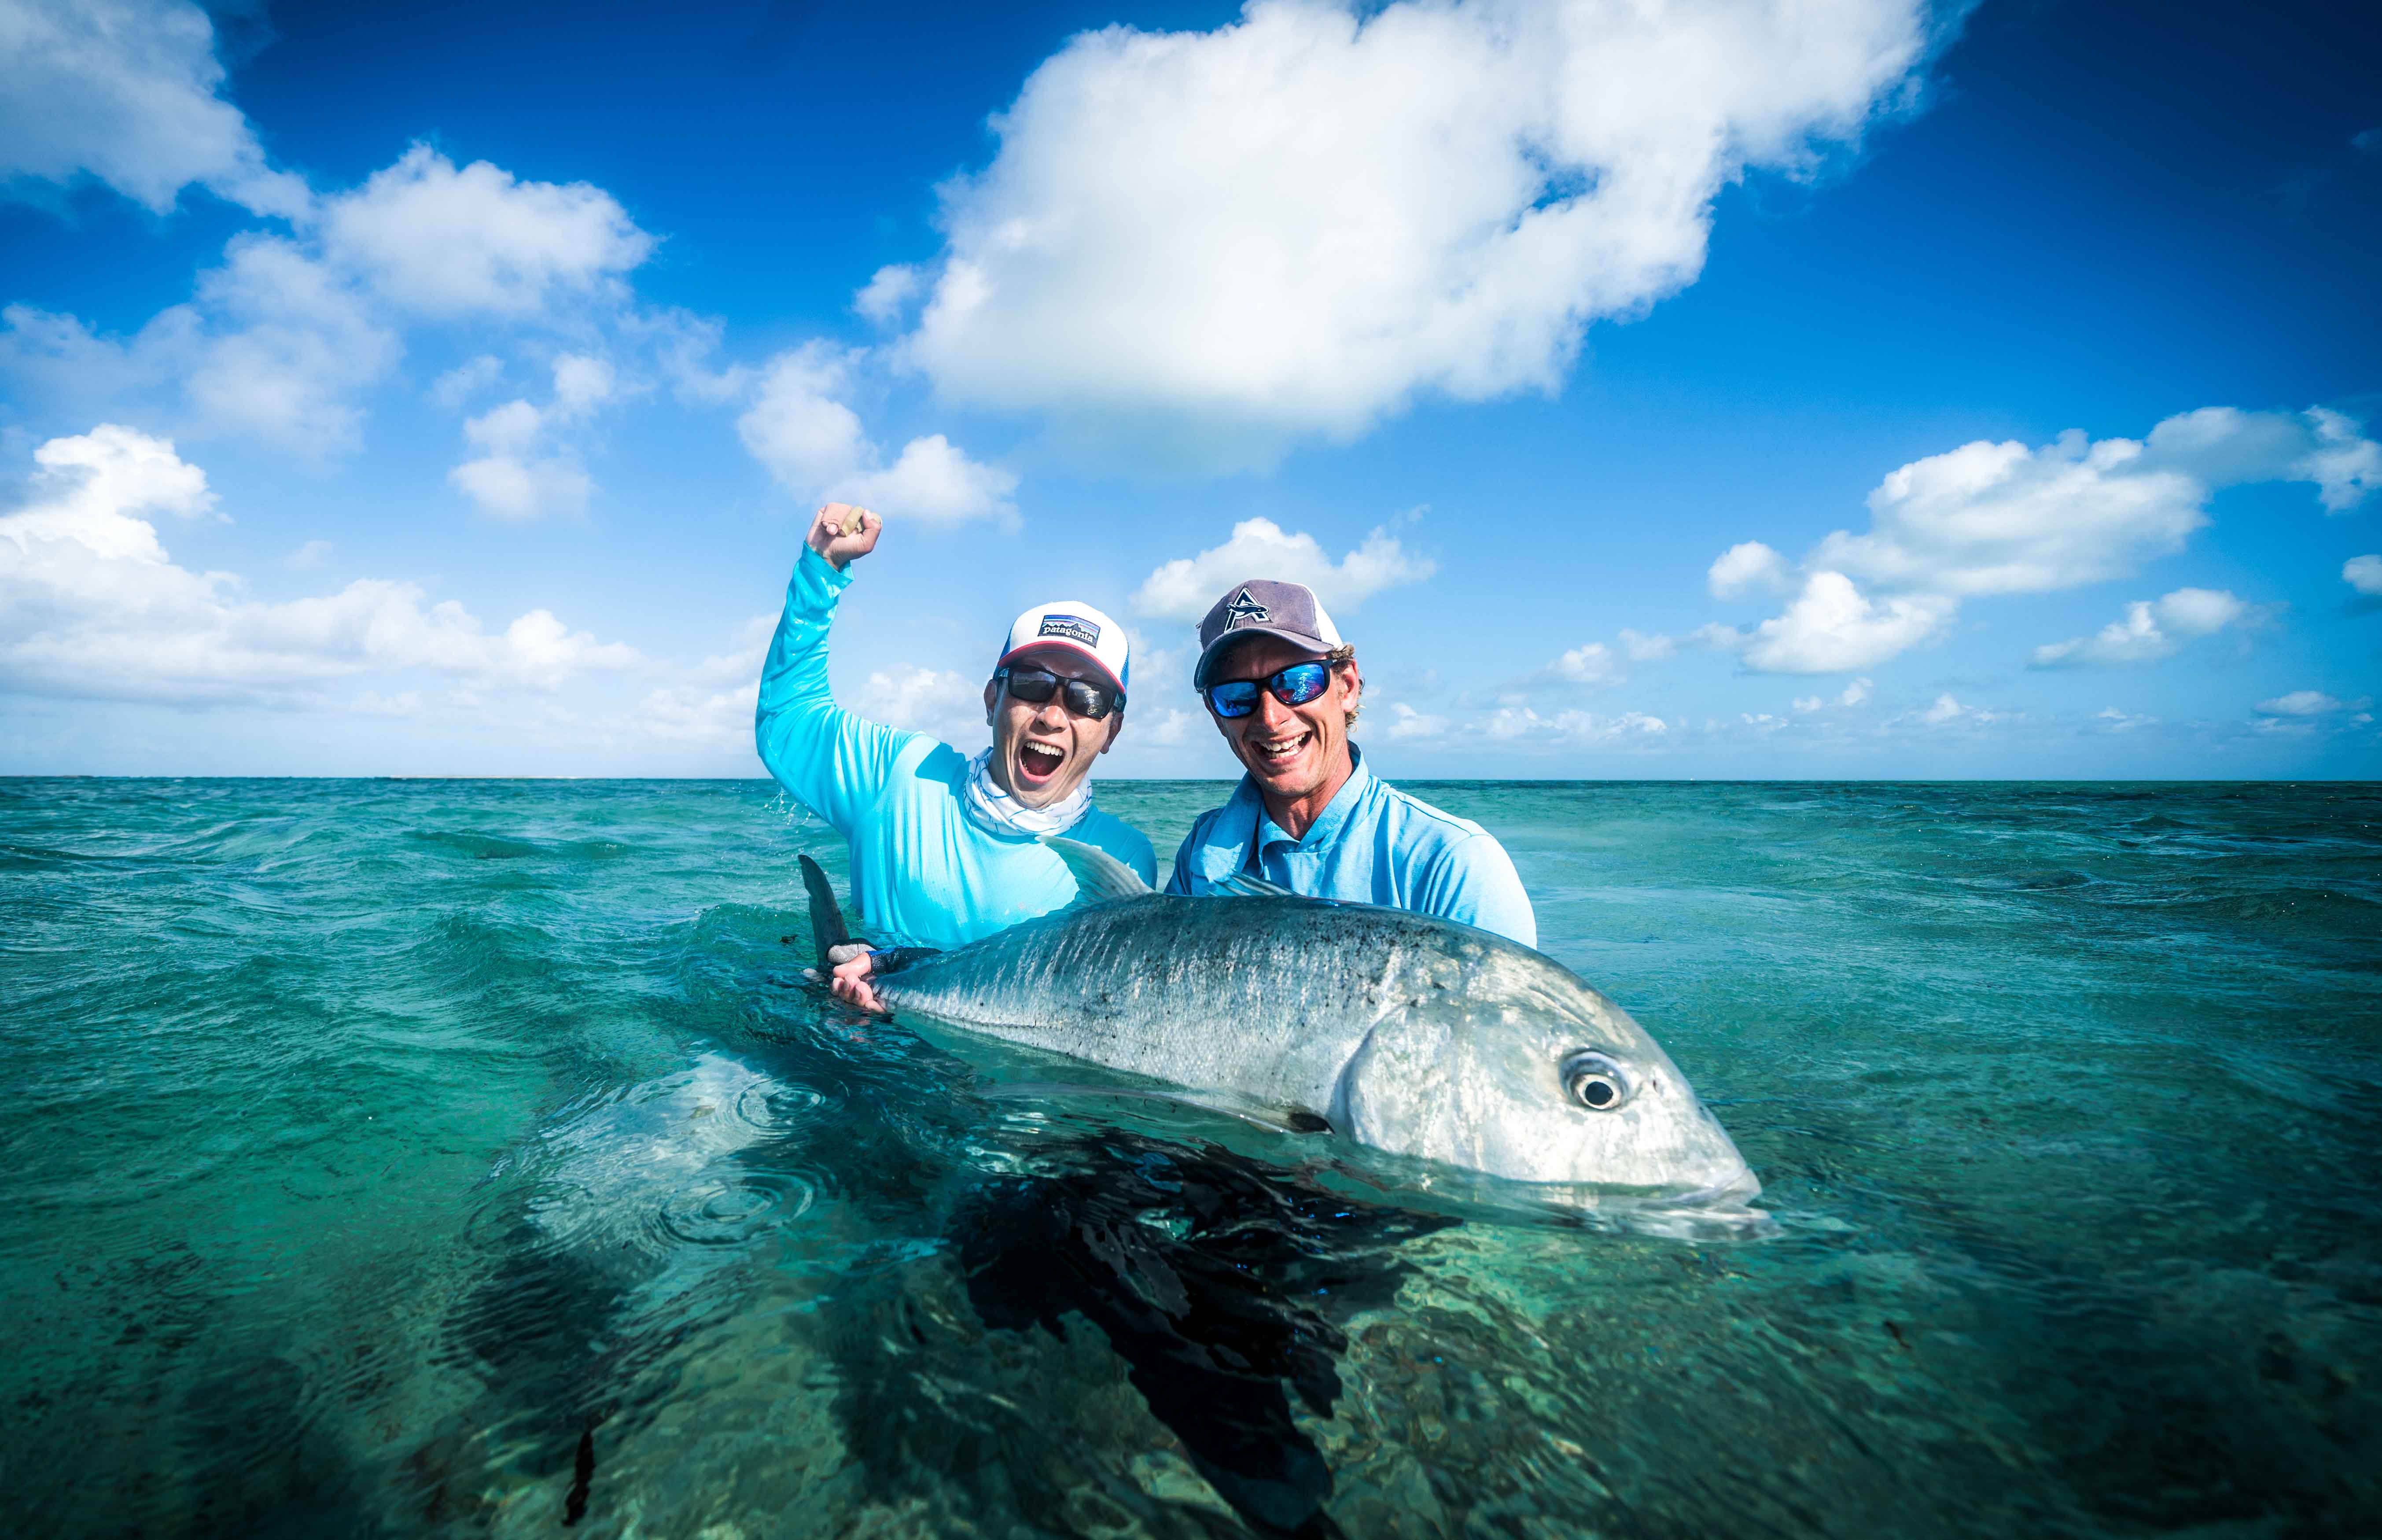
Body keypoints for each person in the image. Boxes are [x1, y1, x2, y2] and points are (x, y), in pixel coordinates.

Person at [757, 502, 1155, 1008]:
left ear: (1111, 730)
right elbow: (786, 722)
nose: (1052, 717)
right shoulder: (901, 774)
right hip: (862, 1056)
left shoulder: (1125, 862)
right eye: (1032, 685)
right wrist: (821, 570)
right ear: (992, 699)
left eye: (1087, 699)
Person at [1165, 577, 1537, 947]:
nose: (1269, 718)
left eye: (1296, 682)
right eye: (1235, 695)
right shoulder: (1200, 849)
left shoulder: (1453, 862)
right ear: (1216, 716)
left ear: (1346, 686)